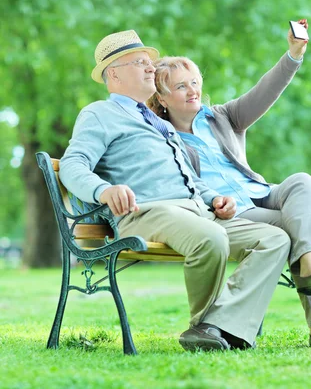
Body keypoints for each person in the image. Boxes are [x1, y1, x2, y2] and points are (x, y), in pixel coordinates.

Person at [59, 29, 292, 352]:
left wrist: (214, 198)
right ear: (114, 73)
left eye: (150, 62)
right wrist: (103, 190)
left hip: (194, 211)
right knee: (211, 238)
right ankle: (205, 326)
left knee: (274, 239)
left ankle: (217, 326)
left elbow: (189, 179)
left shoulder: (162, 124)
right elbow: (73, 164)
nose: (150, 68)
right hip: (147, 213)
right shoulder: (100, 114)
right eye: (139, 62)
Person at [148, 20, 311, 349]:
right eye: (182, 86)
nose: (193, 90)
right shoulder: (160, 136)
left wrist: (294, 54)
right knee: (296, 229)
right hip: (232, 214)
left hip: (262, 194)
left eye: (195, 82)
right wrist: (213, 202)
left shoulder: (222, 117)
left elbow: (265, 91)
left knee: (302, 181)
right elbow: (180, 184)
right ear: (162, 97)